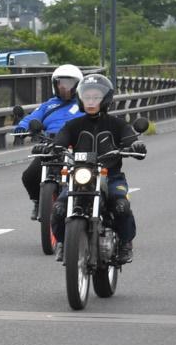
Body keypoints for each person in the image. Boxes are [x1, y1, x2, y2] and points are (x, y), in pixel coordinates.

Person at [50, 73, 145, 263]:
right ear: (80, 98)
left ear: (106, 99)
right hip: (79, 176)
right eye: (87, 97)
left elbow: (130, 139)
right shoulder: (73, 125)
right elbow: (59, 142)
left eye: (96, 97)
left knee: (121, 206)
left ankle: (126, 244)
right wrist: (51, 148)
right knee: (59, 208)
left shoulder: (117, 124)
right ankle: (62, 242)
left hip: (111, 177)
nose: (91, 101)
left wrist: (135, 146)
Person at [14, 64, 84, 218]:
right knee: (29, 175)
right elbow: (33, 117)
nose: (64, 87)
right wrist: (22, 127)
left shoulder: (84, 104)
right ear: (55, 85)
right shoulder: (48, 105)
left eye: (69, 83)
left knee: (89, 176)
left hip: (78, 146)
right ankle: (38, 201)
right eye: (61, 83)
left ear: (78, 84)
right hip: (51, 145)